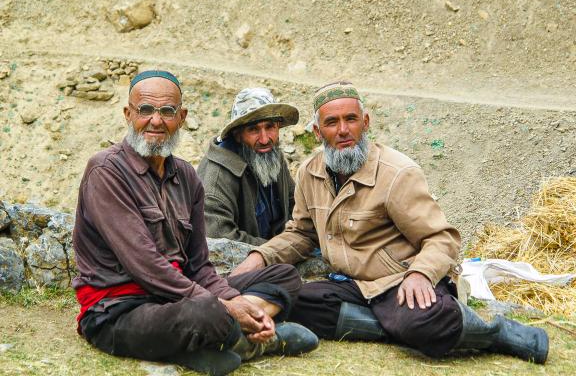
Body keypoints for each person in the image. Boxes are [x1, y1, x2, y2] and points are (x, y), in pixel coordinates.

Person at [231, 81, 549, 364]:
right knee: (290, 298)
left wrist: (421, 274)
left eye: (351, 119)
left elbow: (442, 239)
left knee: (422, 322)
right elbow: (301, 234)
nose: (343, 130)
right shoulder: (309, 172)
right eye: (332, 122)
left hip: (397, 281)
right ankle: (392, 326)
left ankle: (496, 332)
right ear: (317, 132)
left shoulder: (397, 173)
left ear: (365, 123)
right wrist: (261, 257)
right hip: (350, 285)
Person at [72, 70, 317, 376]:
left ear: (182, 116)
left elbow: (199, 265)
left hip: (181, 298)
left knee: (284, 276)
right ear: (128, 114)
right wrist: (226, 306)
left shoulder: (186, 177)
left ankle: (225, 339)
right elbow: (145, 266)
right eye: (145, 110)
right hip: (120, 310)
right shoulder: (106, 171)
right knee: (207, 311)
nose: (156, 121)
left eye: (167, 111)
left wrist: (235, 300)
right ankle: (262, 340)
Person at [198, 88, 297, 245]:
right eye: (253, 129)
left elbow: (296, 204)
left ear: (278, 126)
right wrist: (278, 250)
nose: (265, 139)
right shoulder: (217, 175)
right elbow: (220, 239)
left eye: (270, 127)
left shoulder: (272, 155)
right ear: (237, 134)